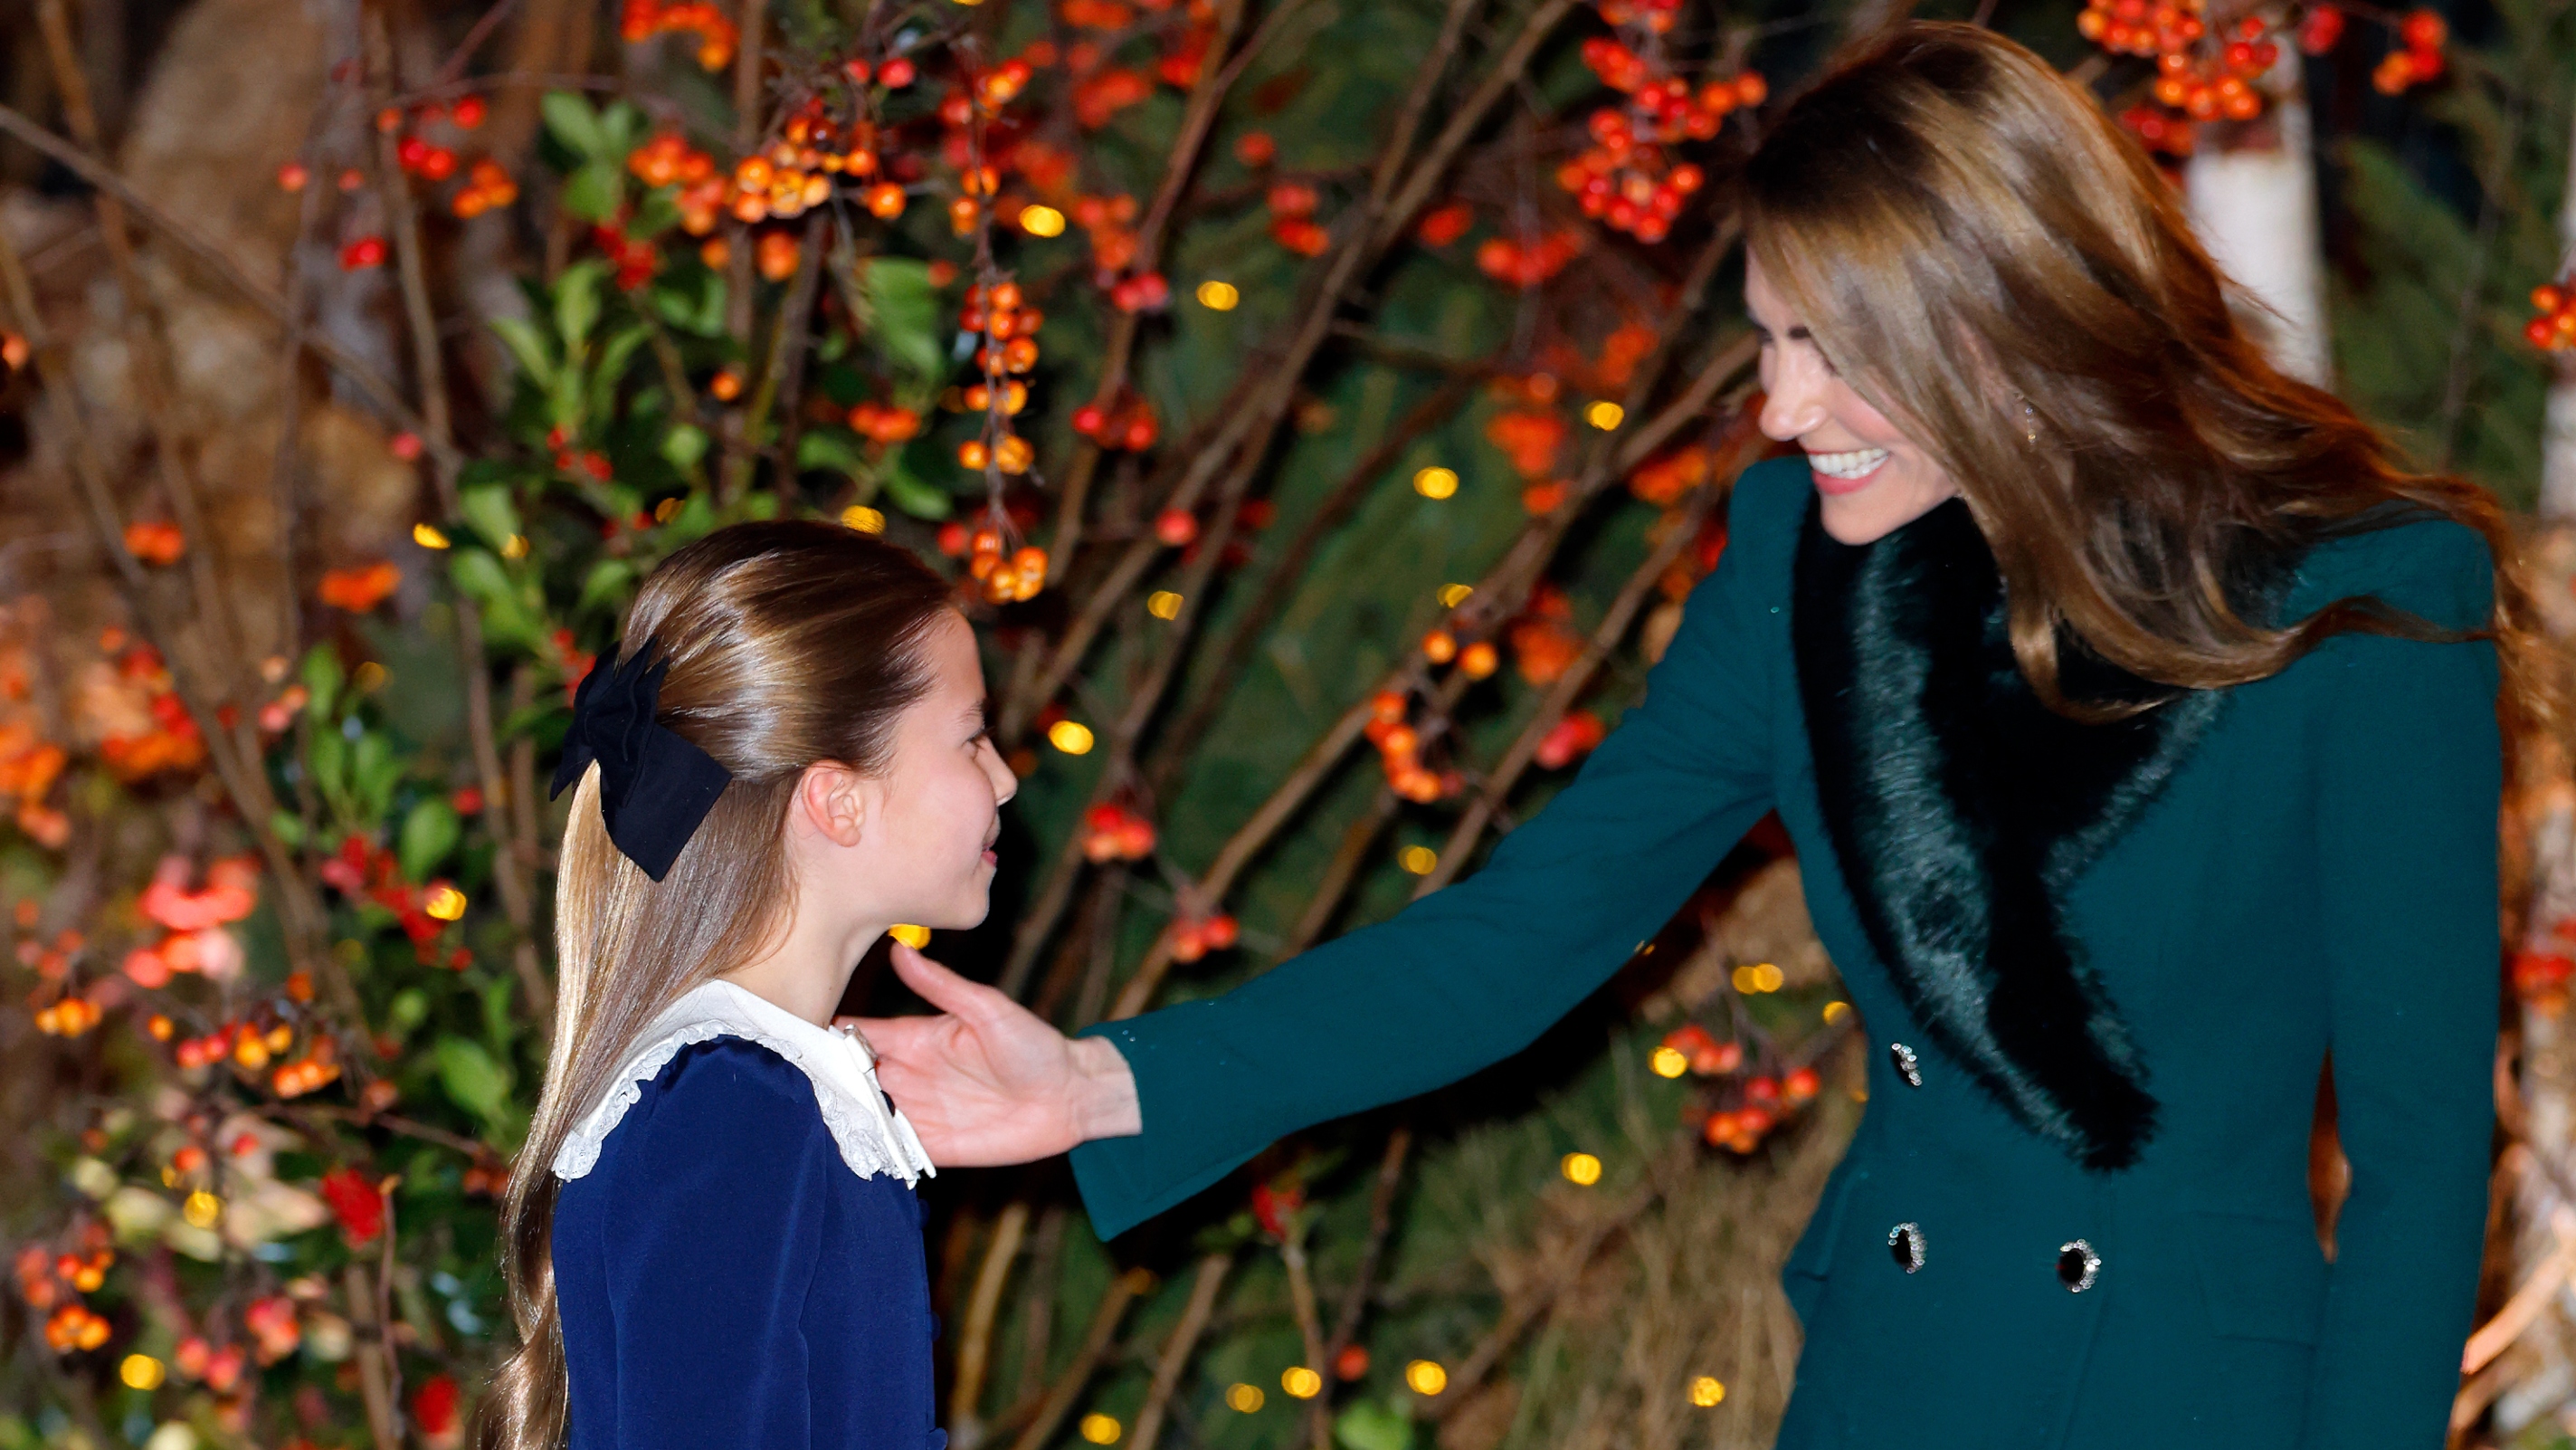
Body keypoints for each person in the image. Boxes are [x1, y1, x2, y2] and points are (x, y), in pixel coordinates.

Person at [851, 23, 2540, 1450]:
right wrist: (1098, 1081)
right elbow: (1527, 929)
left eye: (1833, 354)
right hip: (1895, 1371)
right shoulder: (1797, 570)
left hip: (2185, 1399)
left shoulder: (2365, 596)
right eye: (1768, 340)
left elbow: (2415, 1156)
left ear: (2008, 321)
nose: (1780, 407)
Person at [472, 522, 1017, 1450]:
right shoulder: (731, 1108)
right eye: (970, 740)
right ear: (838, 800)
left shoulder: (757, 1095)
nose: (1004, 780)